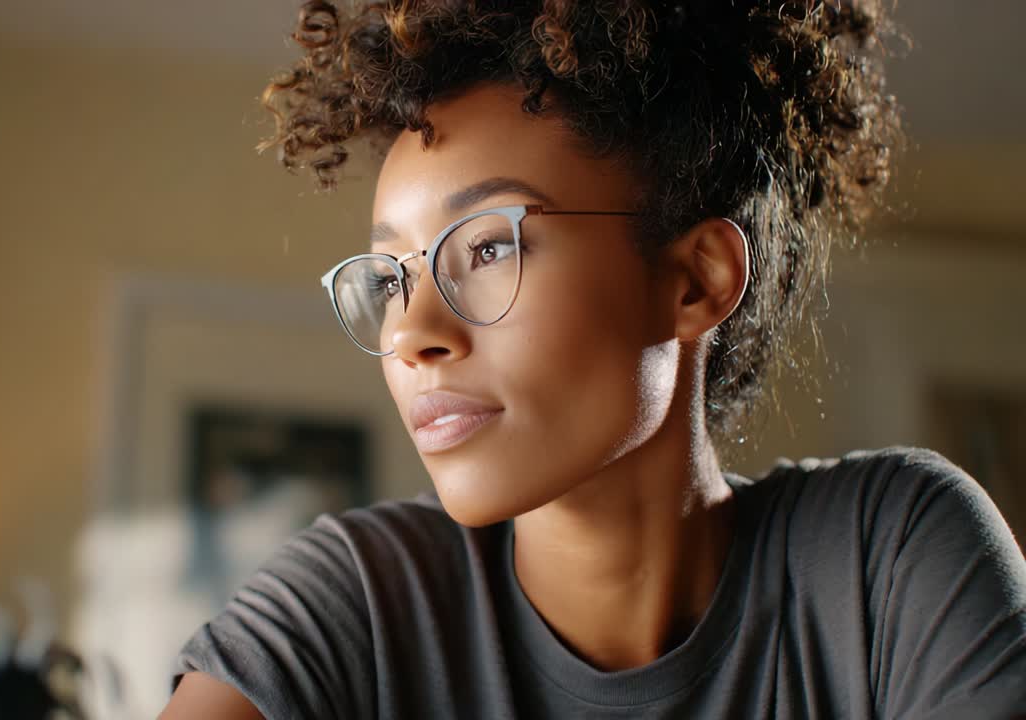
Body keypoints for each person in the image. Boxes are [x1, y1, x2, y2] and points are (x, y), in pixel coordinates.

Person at [160, 1, 1026, 717]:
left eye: (490, 247)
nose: (410, 332)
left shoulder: (892, 562)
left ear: (694, 281)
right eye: (392, 275)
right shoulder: (357, 604)